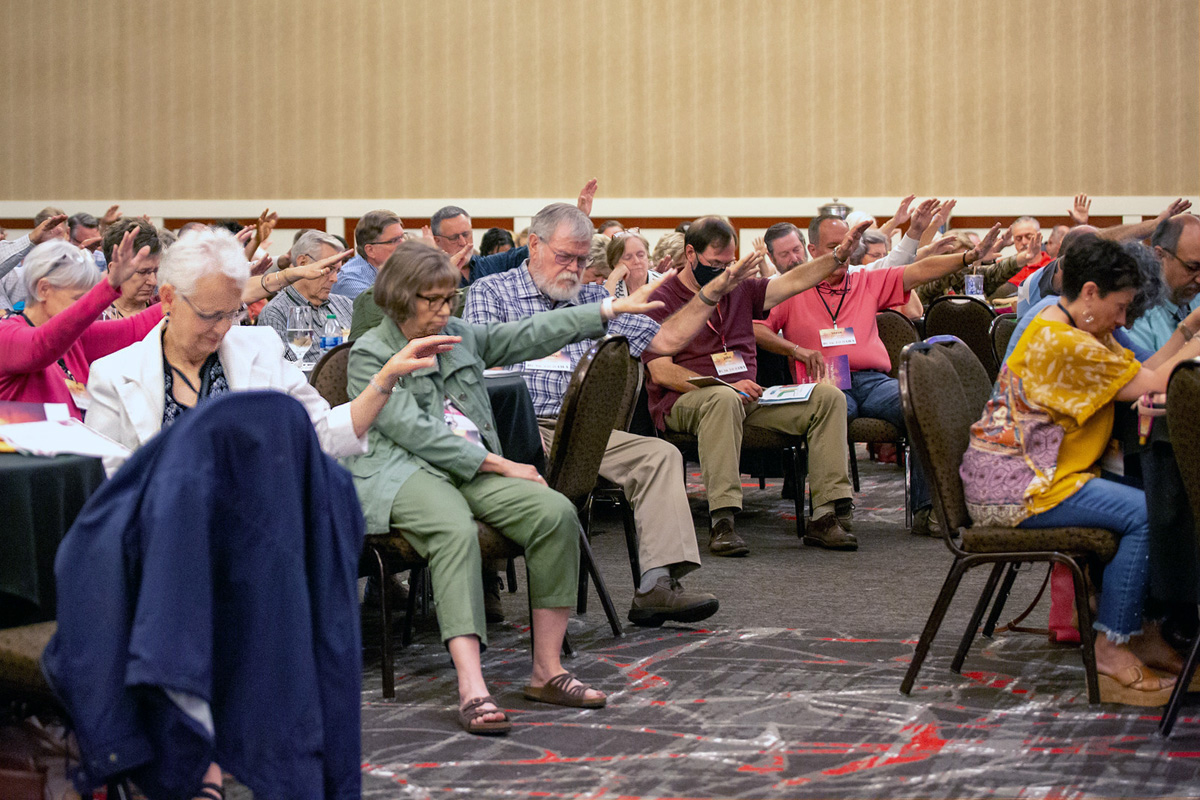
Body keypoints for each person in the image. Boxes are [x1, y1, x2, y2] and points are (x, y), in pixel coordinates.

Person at [346, 239, 669, 734]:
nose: (444, 310)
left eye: (449, 298)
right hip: (405, 472)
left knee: (554, 512)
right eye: (431, 300)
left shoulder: (458, 334)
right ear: (400, 298)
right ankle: (472, 687)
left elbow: (527, 333)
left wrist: (605, 308)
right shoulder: (371, 354)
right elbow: (415, 432)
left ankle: (547, 671)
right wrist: (499, 463)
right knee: (453, 530)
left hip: (472, 468)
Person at [465, 202, 760, 623]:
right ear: (533, 245)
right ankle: (484, 575)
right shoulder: (492, 292)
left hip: (582, 428)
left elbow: (669, 339)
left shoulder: (594, 299)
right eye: (564, 256)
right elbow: (485, 372)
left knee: (660, 456)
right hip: (514, 426)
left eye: (583, 260)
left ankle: (656, 586)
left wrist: (713, 290)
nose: (574, 267)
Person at [960, 237, 1200, 706]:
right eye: (1121, 306)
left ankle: (1140, 632)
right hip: (1016, 484)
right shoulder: (1064, 341)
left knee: (1143, 495)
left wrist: (1187, 329)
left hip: (1028, 471)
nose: (1125, 319)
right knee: (1147, 514)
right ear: (1090, 291)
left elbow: (1138, 372)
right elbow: (1154, 382)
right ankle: (1112, 645)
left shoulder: (1073, 323)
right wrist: (1194, 337)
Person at [85, 227, 454, 476]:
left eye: (231, 313)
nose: (221, 329)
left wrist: (385, 378)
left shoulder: (258, 348)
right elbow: (107, 483)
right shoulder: (114, 375)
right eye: (209, 315)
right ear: (168, 299)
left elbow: (321, 433)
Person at [755, 217, 1003, 536]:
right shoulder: (791, 287)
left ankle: (930, 509)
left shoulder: (864, 280)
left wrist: (968, 257)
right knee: (830, 412)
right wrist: (794, 350)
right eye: (835, 247)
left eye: (849, 246)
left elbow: (919, 271)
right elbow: (755, 327)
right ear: (813, 250)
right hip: (824, 385)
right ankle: (830, 511)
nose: (845, 253)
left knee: (924, 404)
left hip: (873, 382)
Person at [641, 216, 869, 553]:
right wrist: (723, 386)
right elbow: (661, 372)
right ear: (690, 253)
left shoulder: (740, 288)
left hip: (747, 398)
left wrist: (836, 257)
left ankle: (825, 514)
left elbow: (794, 281)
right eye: (715, 264)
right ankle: (723, 520)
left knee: (827, 398)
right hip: (687, 400)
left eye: (729, 263)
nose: (724, 271)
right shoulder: (661, 297)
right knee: (721, 399)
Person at [0, 234, 162, 418]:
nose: (84, 308)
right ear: (43, 289)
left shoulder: (74, 339)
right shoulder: (6, 335)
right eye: (78, 299)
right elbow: (42, 344)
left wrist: (179, 294)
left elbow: (134, 329)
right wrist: (108, 287)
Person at [257, 230, 355, 365]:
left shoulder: (344, 304)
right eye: (328, 269)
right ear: (303, 262)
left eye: (337, 271)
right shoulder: (275, 312)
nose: (335, 279)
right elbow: (285, 372)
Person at [429, 205, 529, 285]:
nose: (463, 243)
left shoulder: (490, 265)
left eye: (466, 234)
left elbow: (527, 252)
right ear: (437, 240)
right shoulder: (428, 276)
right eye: (454, 238)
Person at [330, 210, 404, 300]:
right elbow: (389, 311)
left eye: (402, 237)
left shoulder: (392, 270)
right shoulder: (350, 280)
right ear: (370, 250)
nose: (403, 244)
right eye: (395, 240)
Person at [99, 218, 162, 320]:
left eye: (155, 271)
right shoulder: (94, 319)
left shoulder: (166, 310)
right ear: (114, 270)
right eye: (143, 272)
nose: (153, 282)